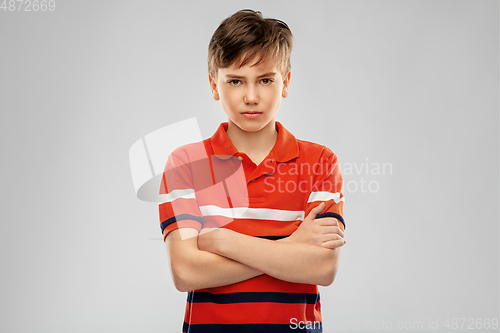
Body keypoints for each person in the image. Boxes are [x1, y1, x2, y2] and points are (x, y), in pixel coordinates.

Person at [159, 9, 346, 333]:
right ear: (214, 85)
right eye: (235, 80)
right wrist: (289, 247)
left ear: (285, 82)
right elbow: (186, 272)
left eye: (265, 80)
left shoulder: (320, 162)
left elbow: (322, 267)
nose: (251, 96)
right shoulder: (186, 163)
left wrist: (224, 241)